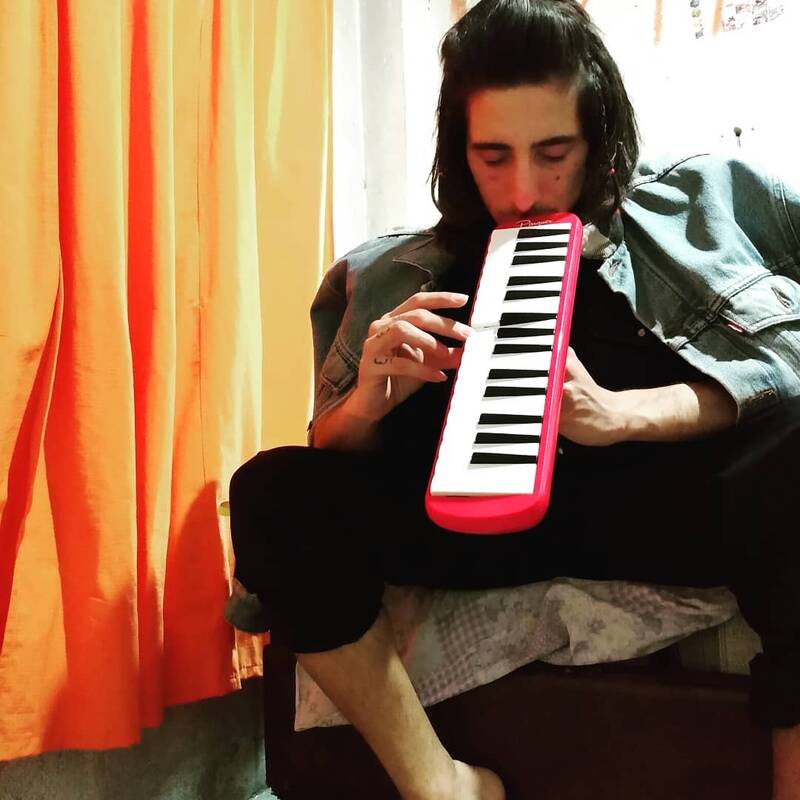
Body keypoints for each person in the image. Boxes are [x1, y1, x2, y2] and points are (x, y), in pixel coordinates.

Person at [227, 1, 800, 798]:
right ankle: (444, 786)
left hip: (653, 500)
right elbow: (333, 472)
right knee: (270, 488)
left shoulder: (711, 199)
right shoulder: (391, 272)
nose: (524, 191)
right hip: (470, 520)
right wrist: (362, 408)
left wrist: (620, 417)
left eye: (553, 153)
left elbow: (782, 376)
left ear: (598, 135)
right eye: (492, 157)